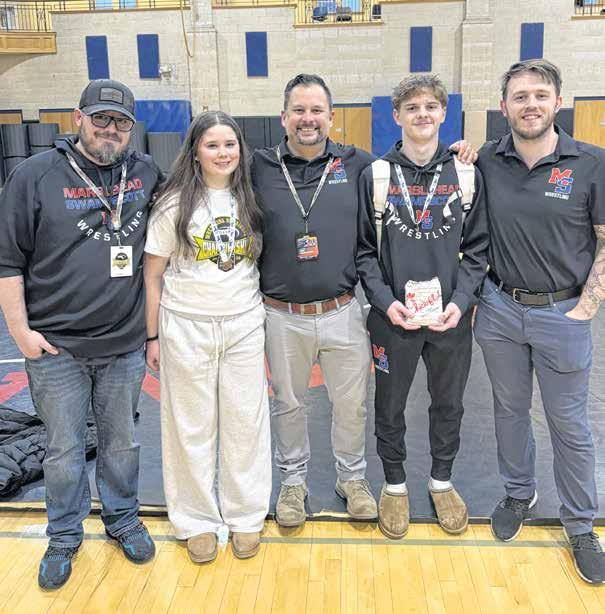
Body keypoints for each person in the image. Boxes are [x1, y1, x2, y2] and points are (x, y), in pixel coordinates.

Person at [0, 79, 161, 589]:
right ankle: (65, 535)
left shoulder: (146, 173)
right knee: (63, 449)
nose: (110, 129)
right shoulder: (34, 175)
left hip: (123, 345)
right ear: (78, 118)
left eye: (121, 121)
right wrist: (20, 332)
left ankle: (123, 519)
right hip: (56, 348)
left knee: (122, 443)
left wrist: (152, 334)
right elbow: (7, 262)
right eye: (100, 118)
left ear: (131, 127)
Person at [474, 59, 605, 584]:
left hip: (563, 313)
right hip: (501, 309)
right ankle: (518, 493)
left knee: (568, 423)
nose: (530, 105)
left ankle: (581, 524)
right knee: (508, 411)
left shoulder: (591, 163)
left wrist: (587, 306)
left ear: (557, 103)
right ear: (503, 107)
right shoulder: (486, 158)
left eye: (540, 95)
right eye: (520, 96)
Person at [356, 74, 489, 539]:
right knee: (389, 405)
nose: (422, 114)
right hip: (393, 319)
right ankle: (394, 484)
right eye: (412, 107)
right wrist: (385, 302)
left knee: (448, 404)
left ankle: (441, 481)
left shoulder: (466, 174)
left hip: (450, 319)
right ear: (396, 115)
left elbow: (478, 250)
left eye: (431, 106)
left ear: (443, 113)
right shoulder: (375, 175)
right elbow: (364, 253)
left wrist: (461, 302)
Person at [251, 74, 378, 526]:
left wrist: (461, 156)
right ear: (284, 116)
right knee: (288, 404)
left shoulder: (358, 164)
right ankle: (292, 483)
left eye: (316, 110)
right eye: (299, 111)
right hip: (281, 314)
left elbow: (411, 168)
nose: (308, 119)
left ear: (331, 116)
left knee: (352, 404)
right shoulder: (258, 166)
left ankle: (352, 478)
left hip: (342, 310)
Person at [144, 111, 271, 562]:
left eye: (229, 144)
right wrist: (152, 337)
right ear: (195, 151)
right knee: (190, 427)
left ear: (241, 149)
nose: (222, 153)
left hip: (243, 323)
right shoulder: (173, 204)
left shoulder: (252, 197)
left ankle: (246, 515)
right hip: (186, 325)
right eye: (212, 145)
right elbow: (152, 276)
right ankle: (195, 519)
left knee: (245, 424)